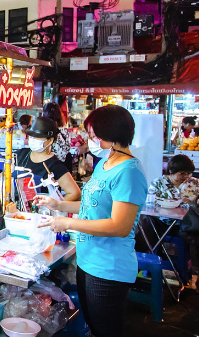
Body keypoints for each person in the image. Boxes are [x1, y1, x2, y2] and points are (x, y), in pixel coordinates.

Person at [34, 104, 148, 337]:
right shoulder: (105, 165)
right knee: (94, 327)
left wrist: (68, 223)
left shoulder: (129, 173)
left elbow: (119, 225)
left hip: (108, 267)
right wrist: (58, 205)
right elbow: (91, 206)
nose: (90, 140)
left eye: (94, 135)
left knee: (106, 330)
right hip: (88, 261)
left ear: (111, 134)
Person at [148, 154, 199, 294]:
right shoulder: (158, 183)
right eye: (182, 173)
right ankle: (146, 269)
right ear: (171, 171)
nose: (186, 176)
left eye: (188, 173)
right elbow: (149, 203)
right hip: (164, 225)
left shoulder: (194, 183)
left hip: (190, 226)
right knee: (144, 230)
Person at [7, 117, 81, 201]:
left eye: (37, 137)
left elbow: (75, 193)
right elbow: (3, 176)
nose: (33, 139)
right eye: (32, 136)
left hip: (38, 209)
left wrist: (54, 206)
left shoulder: (56, 166)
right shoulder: (20, 154)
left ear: (50, 140)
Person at [43, 102, 73, 171]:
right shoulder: (64, 129)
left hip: (50, 164)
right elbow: (68, 147)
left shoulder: (45, 131)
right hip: (63, 165)